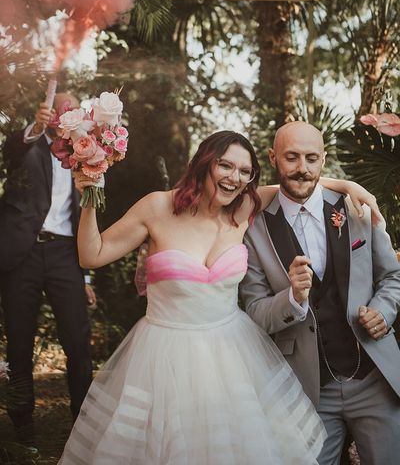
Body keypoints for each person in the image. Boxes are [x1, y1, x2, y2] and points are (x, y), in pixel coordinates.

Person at [59, 130, 377, 465]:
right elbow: (91, 255)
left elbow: (298, 184)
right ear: (204, 163)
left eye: (244, 171)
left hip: (232, 353)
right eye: (226, 166)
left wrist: (348, 186)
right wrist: (89, 197)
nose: (234, 178)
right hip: (164, 354)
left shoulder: (244, 209)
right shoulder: (157, 207)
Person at [240, 121, 400, 465]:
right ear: (273, 158)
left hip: (373, 378)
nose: (303, 168)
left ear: (323, 160)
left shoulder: (356, 209)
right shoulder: (253, 228)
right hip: (308, 390)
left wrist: (382, 312)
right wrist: (293, 299)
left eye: (312, 158)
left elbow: (392, 276)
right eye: (292, 157)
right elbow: (254, 311)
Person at [0, 94, 96, 445]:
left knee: (77, 340)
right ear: (48, 112)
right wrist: (34, 129)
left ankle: (83, 421)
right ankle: (22, 427)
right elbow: (11, 150)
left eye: (70, 108)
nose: (63, 113)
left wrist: (86, 275)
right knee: (19, 340)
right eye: (58, 107)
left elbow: (89, 215)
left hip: (65, 255)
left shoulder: (85, 154)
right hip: (20, 253)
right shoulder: (27, 144)